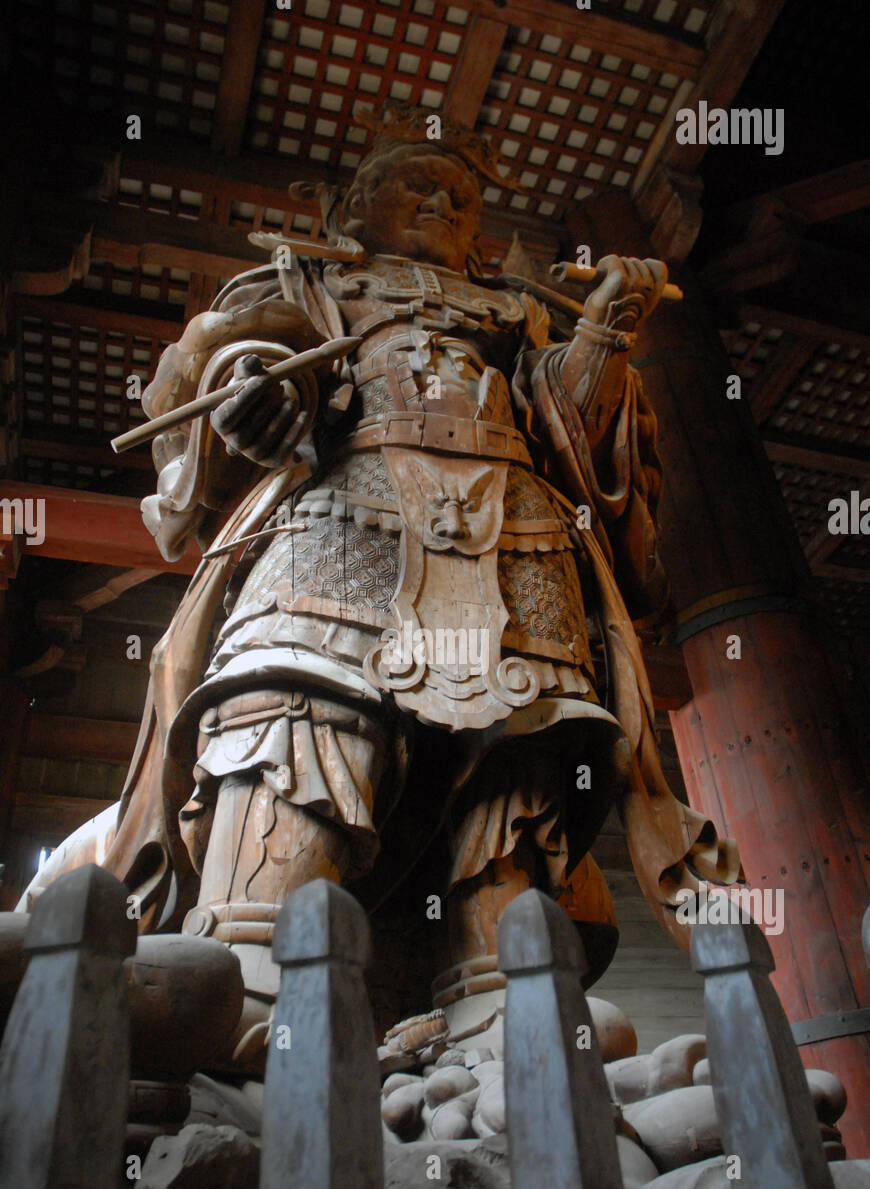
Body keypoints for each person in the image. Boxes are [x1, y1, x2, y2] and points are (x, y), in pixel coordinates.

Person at [27, 105, 741, 1072]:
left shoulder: (518, 308)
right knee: (295, 707)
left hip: (516, 530)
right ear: (358, 205)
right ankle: (252, 963)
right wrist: (254, 388)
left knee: (524, 745)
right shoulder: (310, 276)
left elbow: (572, 435)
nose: (444, 201)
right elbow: (232, 352)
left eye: (461, 195)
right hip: (343, 510)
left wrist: (603, 333)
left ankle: (501, 990)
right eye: (418, 183)